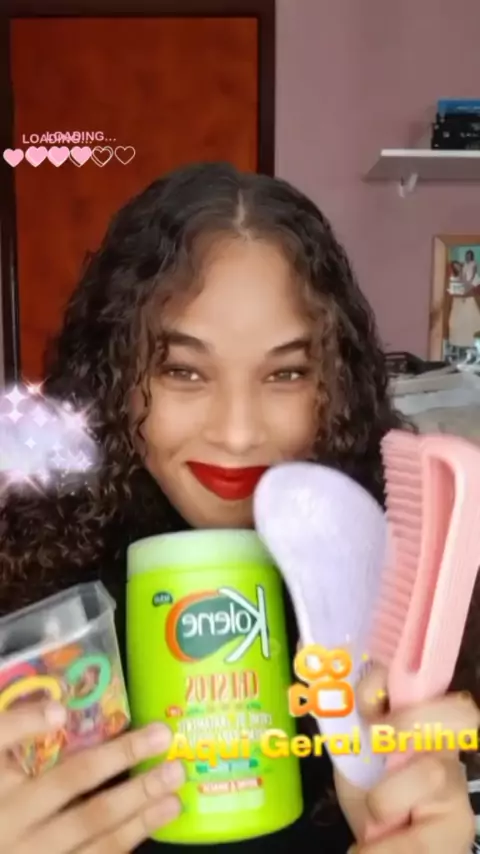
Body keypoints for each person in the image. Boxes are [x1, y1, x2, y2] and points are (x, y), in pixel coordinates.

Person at [0, 162, 478, 853]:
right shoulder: (33, 618)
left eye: (287, 372)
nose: (237, 433)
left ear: (337, 385)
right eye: (182, 370)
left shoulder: (397, 607)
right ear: (113, 380)